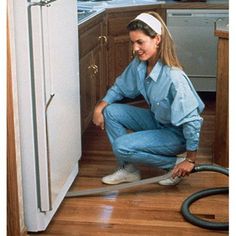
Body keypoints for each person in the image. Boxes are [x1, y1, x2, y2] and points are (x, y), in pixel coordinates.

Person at [92, 11, 205, 186]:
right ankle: (128, 170)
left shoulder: (174, 78)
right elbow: (121, 87)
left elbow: (192, 121)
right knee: (111, 111)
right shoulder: (140, 64)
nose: (135, 48)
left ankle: (173, 166)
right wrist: (100, 107)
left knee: (121, 146)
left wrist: (190, 159)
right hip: (157, 121)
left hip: (176, 134)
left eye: (140, 42)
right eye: (132, 42)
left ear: (157, 40)